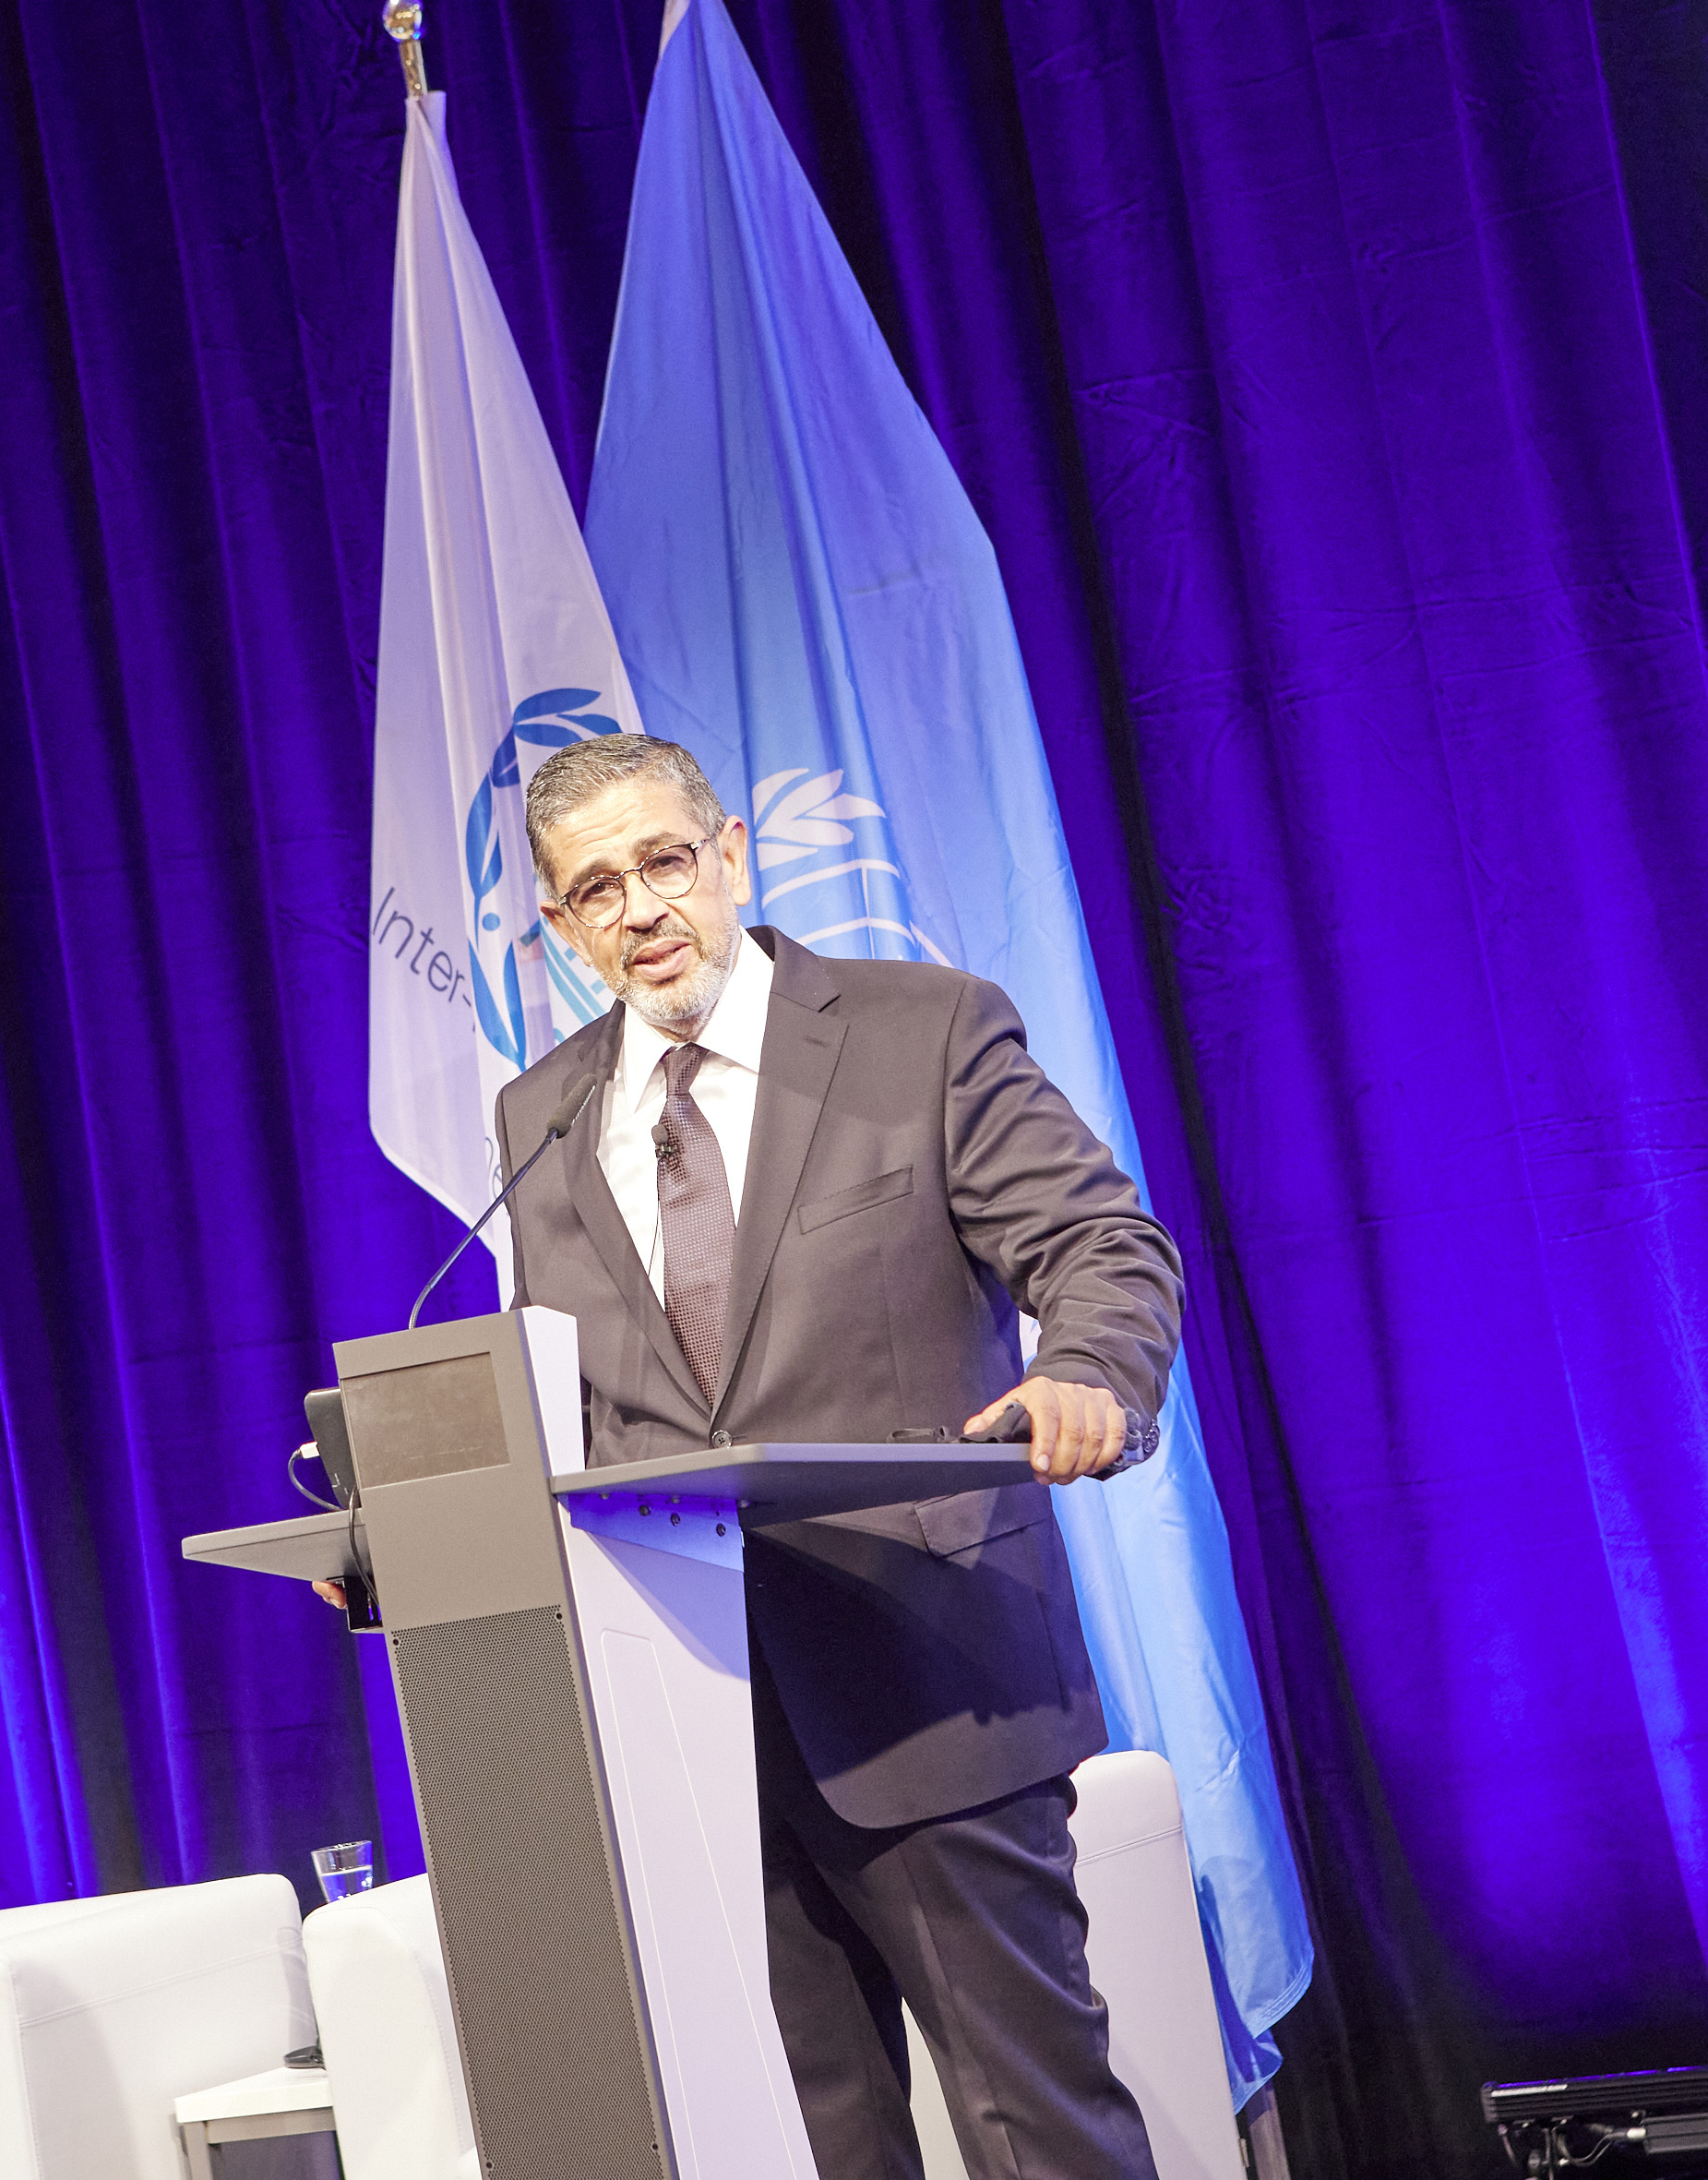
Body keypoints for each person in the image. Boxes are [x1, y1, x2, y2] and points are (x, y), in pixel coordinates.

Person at [497, 732, 1176, 2179]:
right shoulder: (540, 1114)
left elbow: (1101, 1244)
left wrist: (1087, 1371)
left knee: (1039, 2133)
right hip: (696, 1716)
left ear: (730, 853)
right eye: (598, 887)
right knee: (820, 2148)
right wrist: (412, 1539)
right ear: (560, 922)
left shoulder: (919, 1029)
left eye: (665, 860)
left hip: (929, 1678)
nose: (642, 908)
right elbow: (569, 1403)